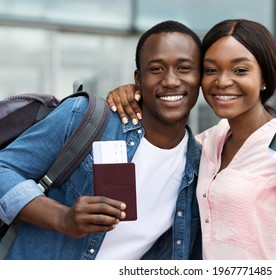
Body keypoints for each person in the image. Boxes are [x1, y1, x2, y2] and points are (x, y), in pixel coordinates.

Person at [106, 19, 276, 260]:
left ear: (264, 79)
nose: (222, 81)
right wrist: (134, 92)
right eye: (211, 70)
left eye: (240, 70)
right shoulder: (205, 143)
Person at [0, 20, 202, 260]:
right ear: (139, 78)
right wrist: (62, 218)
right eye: (156, 68)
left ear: (200, 76)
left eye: (184, 68)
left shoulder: (201, 166)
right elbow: (4, 168)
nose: (170, 80)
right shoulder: (84, 116)